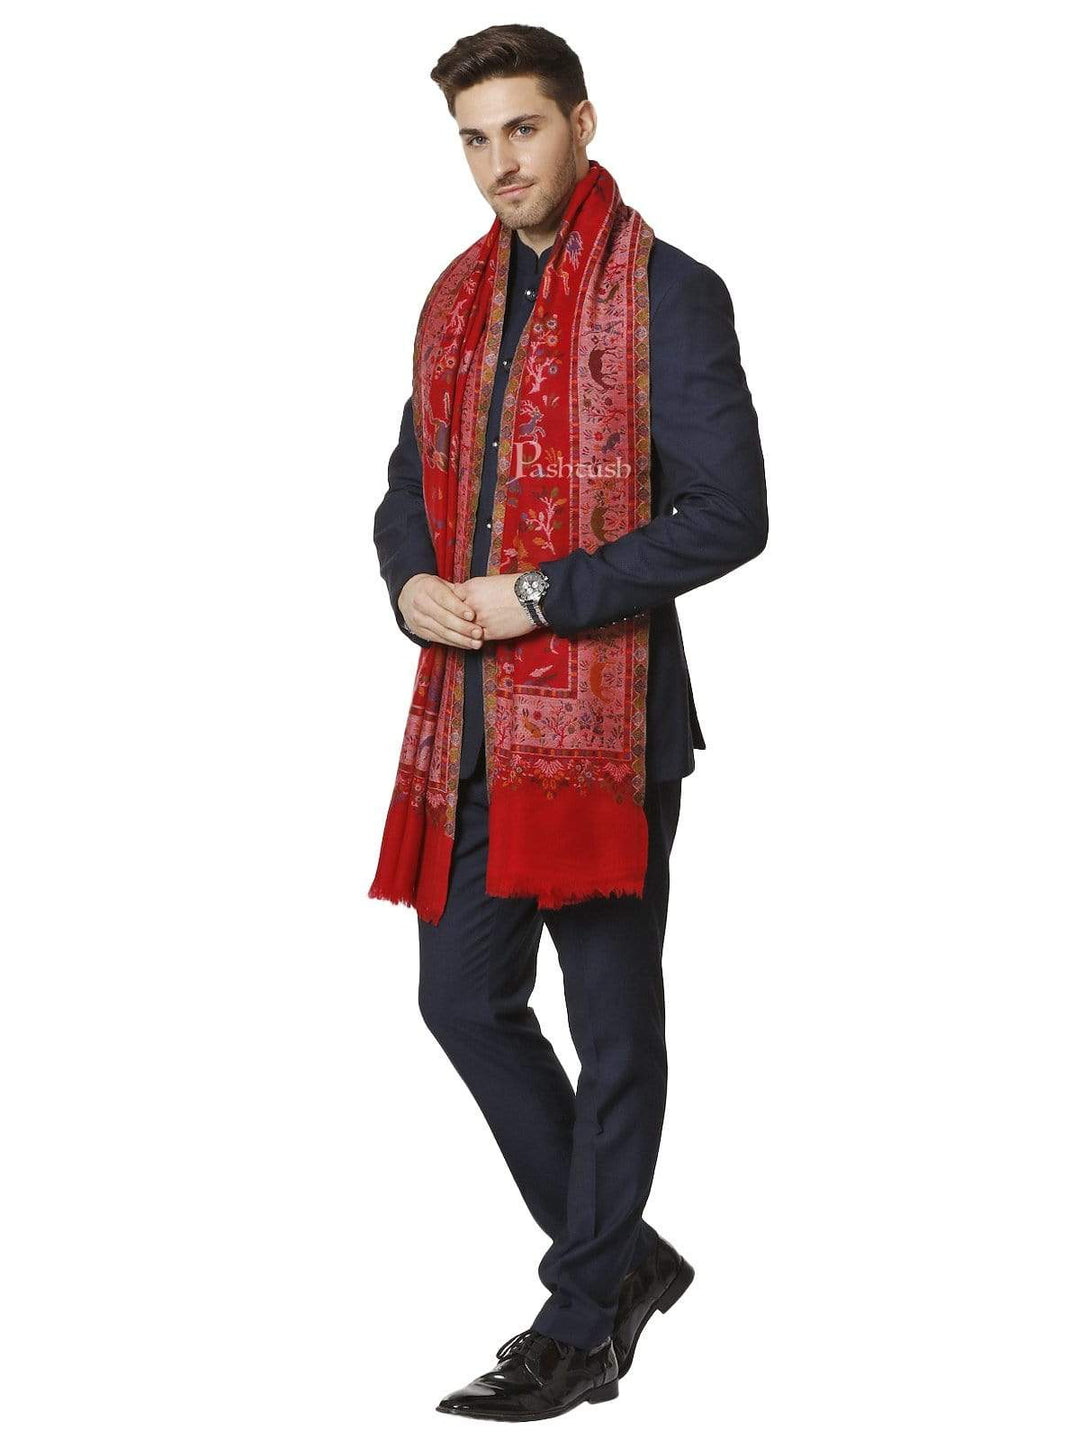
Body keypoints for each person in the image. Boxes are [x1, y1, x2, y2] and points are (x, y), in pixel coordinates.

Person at [370, 24, 768, 1422]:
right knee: (461, 1000)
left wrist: (540, 595)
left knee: (612, 1030)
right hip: (471, 724)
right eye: (475, 139)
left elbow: (732, 514)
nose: (500, 164)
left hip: (608, 728)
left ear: (582, 124)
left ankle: (580, 1324)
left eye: (522, 130)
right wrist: (412, 584)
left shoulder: (669, 292)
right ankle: (625, 1260)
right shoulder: (455, 301)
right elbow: (407, 488)